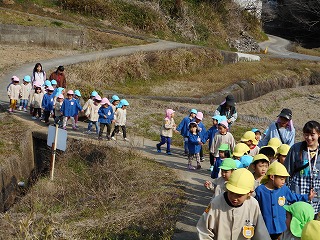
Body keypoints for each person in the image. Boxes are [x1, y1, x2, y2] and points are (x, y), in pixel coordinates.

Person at [197, 168, 271, 240]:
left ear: (249, 193)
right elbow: (203, 230)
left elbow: (261, 232)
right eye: (231, 192)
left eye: (239, 195)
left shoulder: (253, 205)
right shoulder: (216, 203)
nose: (234, 198)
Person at [255, 161, 315, 240]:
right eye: (281, 179)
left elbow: (293, 197)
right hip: (266, 228)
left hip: (282, 227)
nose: (284, 182)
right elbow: (255, 208)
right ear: (272, 177)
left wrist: (307, 197)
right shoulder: (260, 190)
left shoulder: (284, 189)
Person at [285, 120, 320, 216]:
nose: (309, 138)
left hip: (315, 198)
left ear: (319, 134)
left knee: (311, 227)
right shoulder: (296, 149)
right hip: (298, 193)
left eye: (312, 134)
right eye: (306, 134)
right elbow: (287, 170)